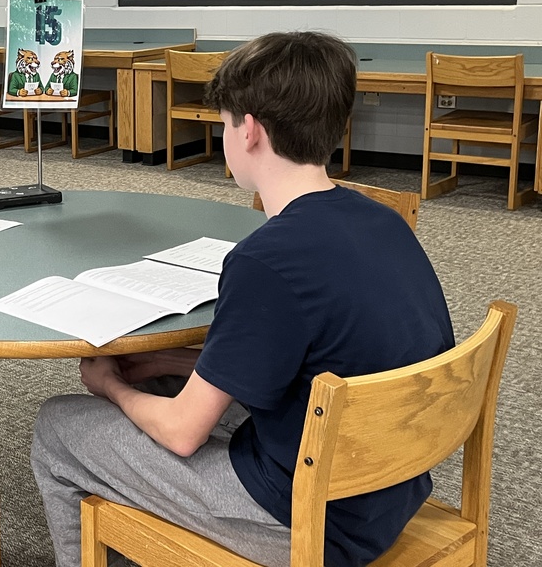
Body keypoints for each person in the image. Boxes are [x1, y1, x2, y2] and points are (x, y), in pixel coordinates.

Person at [30, 31, 455, 567]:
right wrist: (166, 361)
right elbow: (306, 359)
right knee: (162, 382)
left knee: (59, 425)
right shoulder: (384, 222)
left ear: (249, 130)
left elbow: (184, 435)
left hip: (308, 520)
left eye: (225, 122)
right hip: (386, 488)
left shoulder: (265, 260)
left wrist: (109, 385)